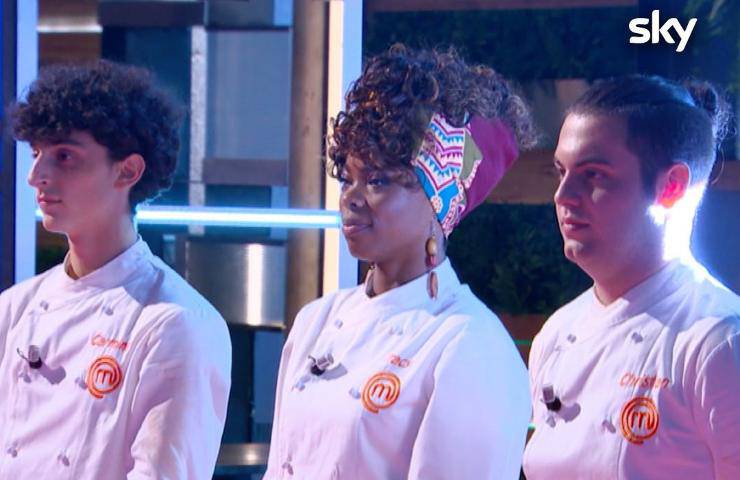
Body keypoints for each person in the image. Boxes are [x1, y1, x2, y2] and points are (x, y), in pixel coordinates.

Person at [264, 45, 537, 480]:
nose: (351, 199)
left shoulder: (471, 344)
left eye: (377, 181)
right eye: (347, 179)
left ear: (437, 203)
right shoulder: (316, 321)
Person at [0, 61, 231, 478]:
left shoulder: (176, 322)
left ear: (128, 170)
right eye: (36, 154)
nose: (36, 176)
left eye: (64, 156)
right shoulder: (14, 309)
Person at [524, 75, 740, 479]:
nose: (563, 195)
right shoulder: (556, 334)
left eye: (593, 175)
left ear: (672, 186)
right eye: (560, 172)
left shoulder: (719, 342)